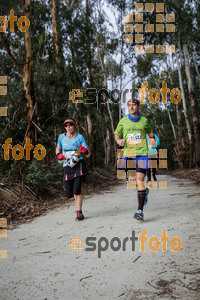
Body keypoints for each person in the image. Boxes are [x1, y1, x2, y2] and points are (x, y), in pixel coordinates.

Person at [114, 98, 154, 221]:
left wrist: (152, 139)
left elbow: (150, 131)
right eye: (129, 105)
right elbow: (116, 133)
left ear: (138, 107)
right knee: (135, 180)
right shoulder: (123, 121)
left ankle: (140, 210)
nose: (131, 107)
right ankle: (144, 192)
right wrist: (118, 140)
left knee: (140, 179)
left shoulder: (144, 121)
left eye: (134, 105)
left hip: (142, 153)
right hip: (129, 154)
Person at [56, 118, 90, 221]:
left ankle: (79, 212)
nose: (68, 127)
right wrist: (59, 154)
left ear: (74, 126)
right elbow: (57, 148)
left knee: (77, 191)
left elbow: (88, 154)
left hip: (78, 166)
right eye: (66, 126)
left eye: (70, 125)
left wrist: (85, 151)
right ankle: (75, 201)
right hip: (67, 166)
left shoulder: (80, 137)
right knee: (69, 194)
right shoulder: (61, 137)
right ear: (64, 127)